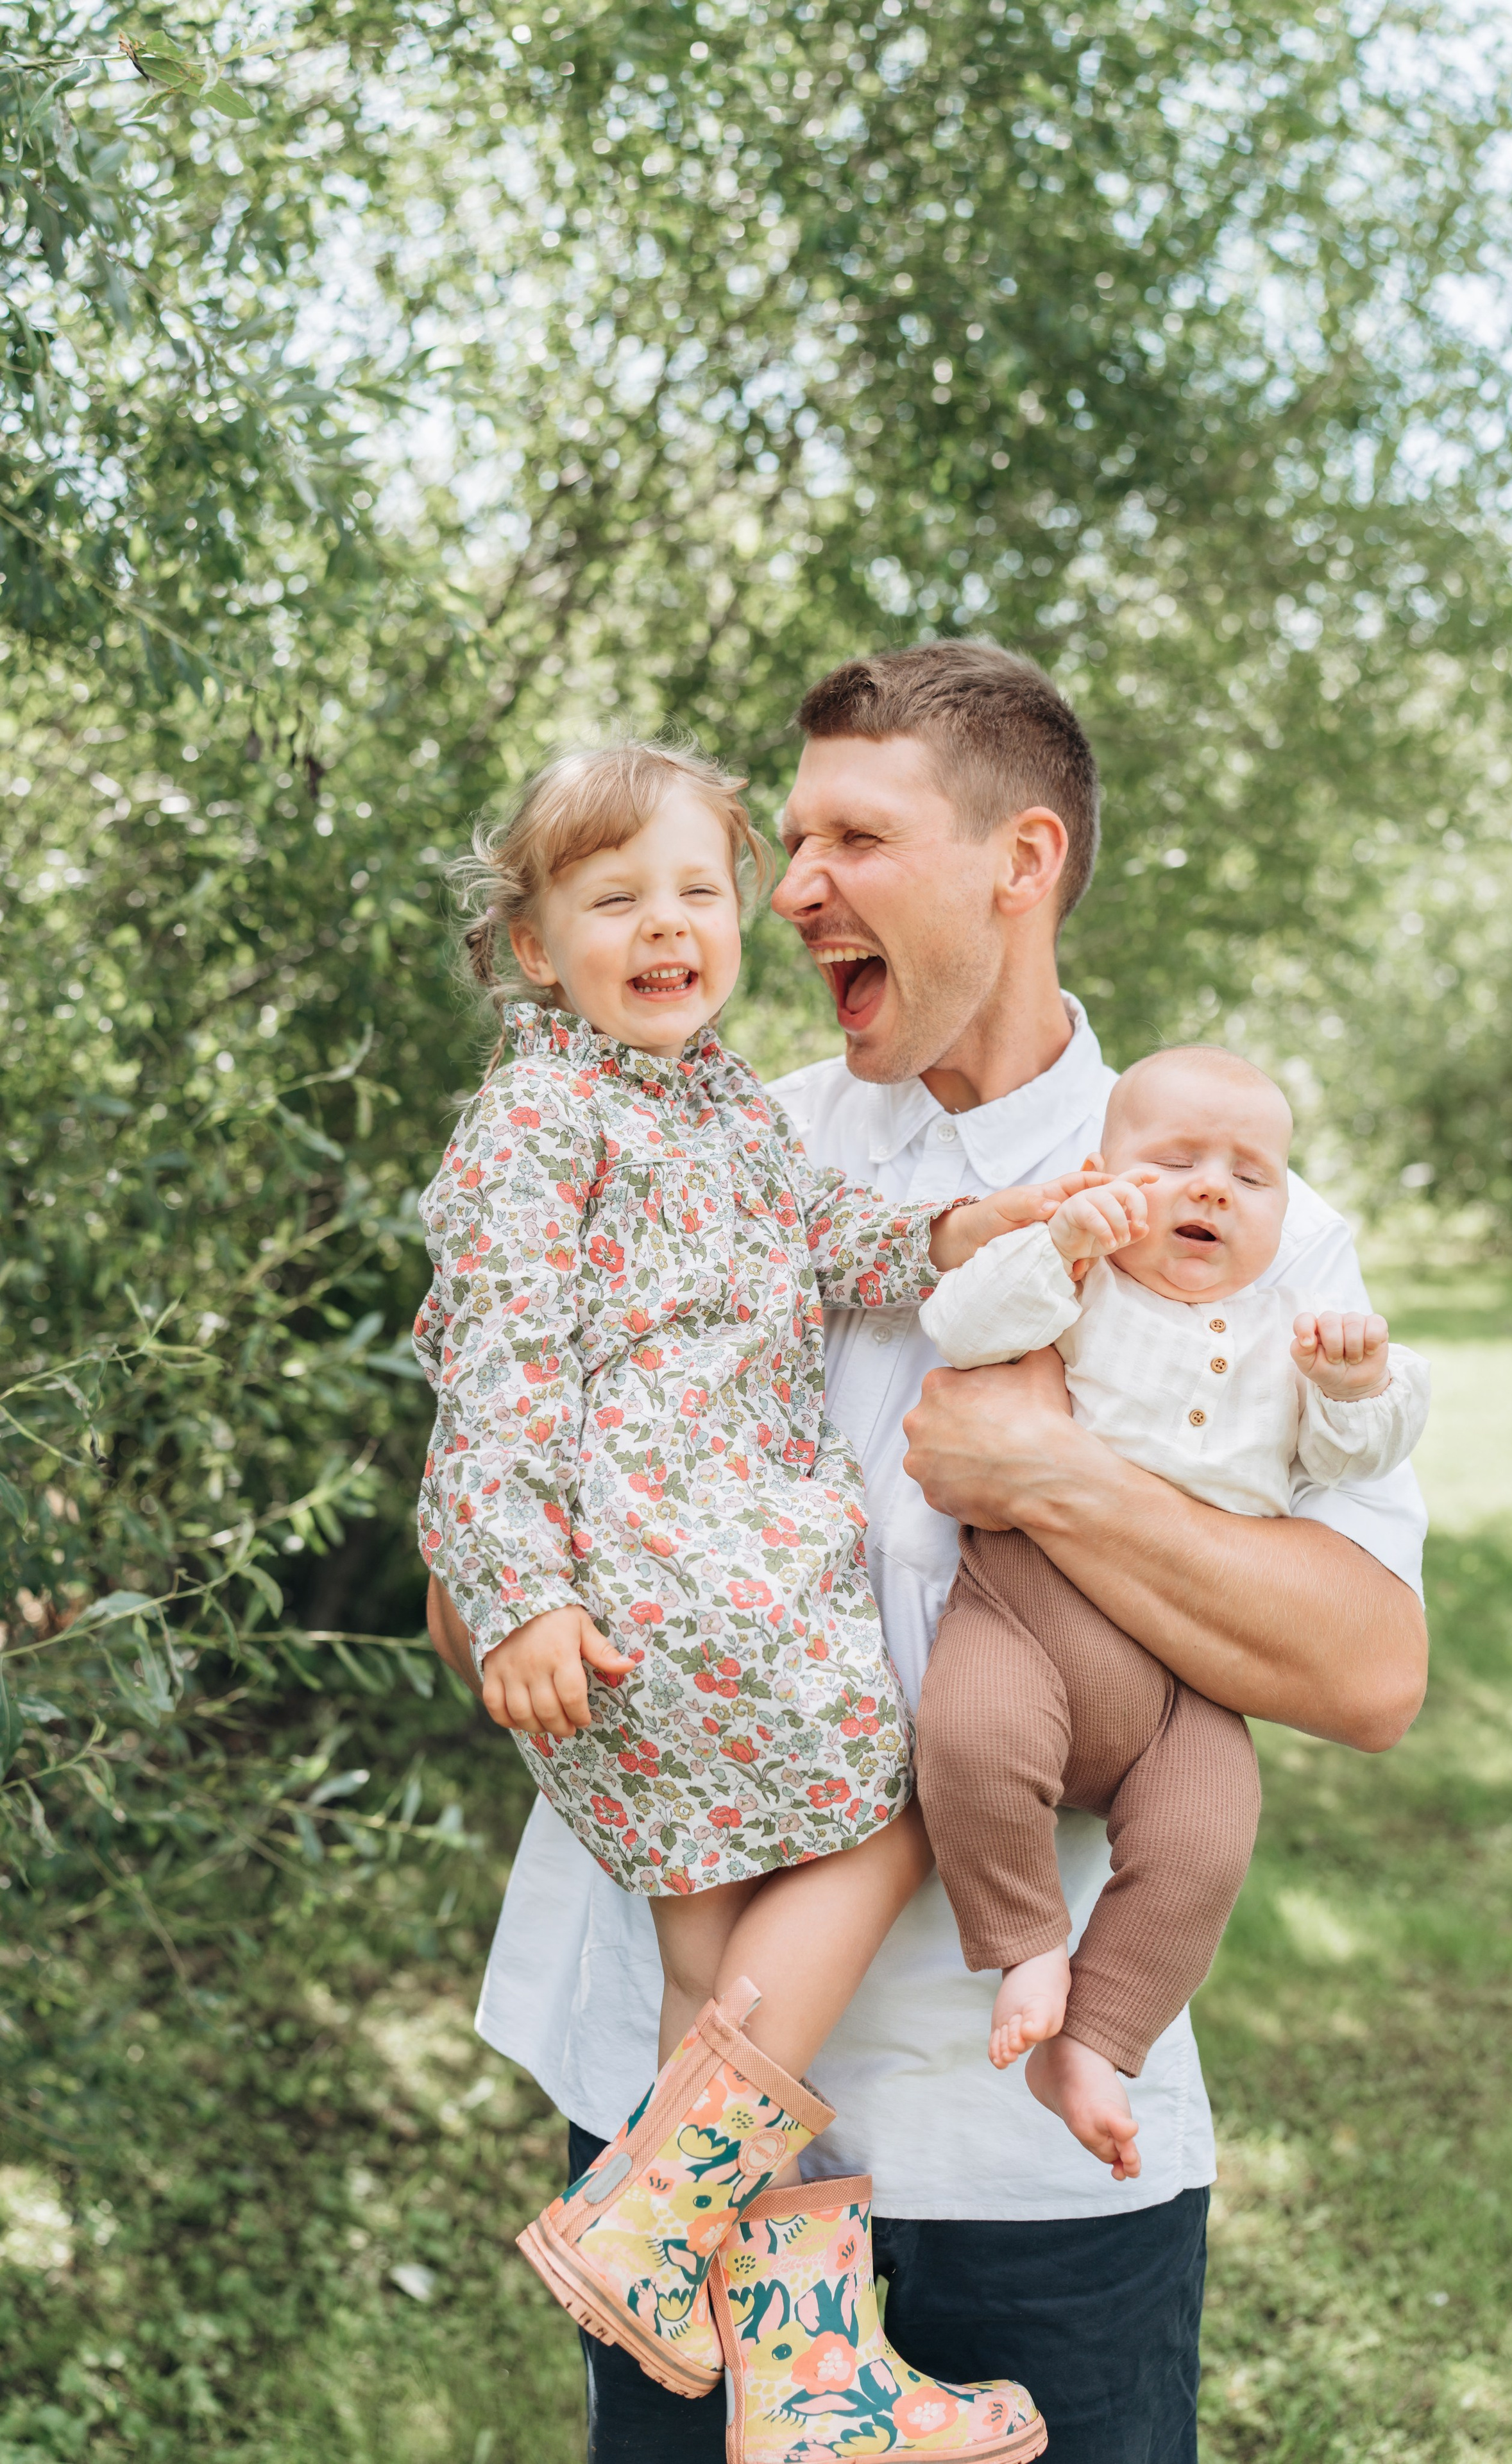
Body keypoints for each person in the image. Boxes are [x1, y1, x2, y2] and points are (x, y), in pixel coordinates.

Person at [428, 642, 1428, 2462]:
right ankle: (679, 2194)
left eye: (853, 840)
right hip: (659, 2098)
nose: (793, 889)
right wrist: (526, 1576)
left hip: (1035, 2148)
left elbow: (1369, 1674)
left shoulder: (1238, 1215)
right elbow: (469, 1578)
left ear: (1019, 863)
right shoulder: (702, 1138)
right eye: (785, 844)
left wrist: (1051, 1478)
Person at [416, 733, 1108, 2456]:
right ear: (531, 946)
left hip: (724, 1593)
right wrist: (516, 1599)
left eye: (699, 894)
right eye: (614, 898)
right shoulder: (540, 1120)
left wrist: (969, 1236)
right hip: (662, 1602)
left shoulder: (724, 1105)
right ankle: (651, 2222)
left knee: (713, 1969)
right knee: (902, 1802)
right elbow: (488, 1378)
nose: (668, 927)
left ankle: (801, 2374)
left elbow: (836, 1243)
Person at [914, 1042, 1430, 2173]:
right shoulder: (1081, 1285)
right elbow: (963, 1325)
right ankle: (1028, 1943)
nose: (1213, 1189)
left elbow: (1355, 1455)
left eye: (1251, 1178)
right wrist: (1058, 1241)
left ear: (1285, 1213)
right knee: (970, 1736)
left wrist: (1356, 1385)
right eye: (1178, 1163)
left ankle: (1099, 2039)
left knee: (1208, 1841)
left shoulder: (1289, 1322)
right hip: (1029, 1606)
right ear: (1105, 1174)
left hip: (1190, 1679)